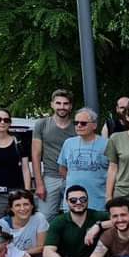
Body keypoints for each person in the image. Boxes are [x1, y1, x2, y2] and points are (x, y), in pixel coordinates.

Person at [31, 89, 75, 222]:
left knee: (73, 216)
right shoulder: (42, 124)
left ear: (70, 106)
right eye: (58, 103)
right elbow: (36, 154)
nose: (62, 107)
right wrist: (39, 183)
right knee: (45, 217)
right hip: (50, 177)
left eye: (65, 103)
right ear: (52, 104)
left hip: (73, 176)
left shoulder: (77, 126)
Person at [58, 107, 109, 211]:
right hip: (72, 203)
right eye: (76, 123)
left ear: (94, 125)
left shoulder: (106, 144)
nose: (79, 125)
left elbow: (113, 171)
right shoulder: (68, 143)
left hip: (98, 203)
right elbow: (62, 169)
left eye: (83, 123)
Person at [4, 190, 48, 257]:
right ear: (11, 208)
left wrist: (21, 254)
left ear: (32, 206)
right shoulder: (3, 224)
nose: (22, 208)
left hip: (33, 256)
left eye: (26, 204)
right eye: (17, 205)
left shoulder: (39, 218)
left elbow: (41, 247)